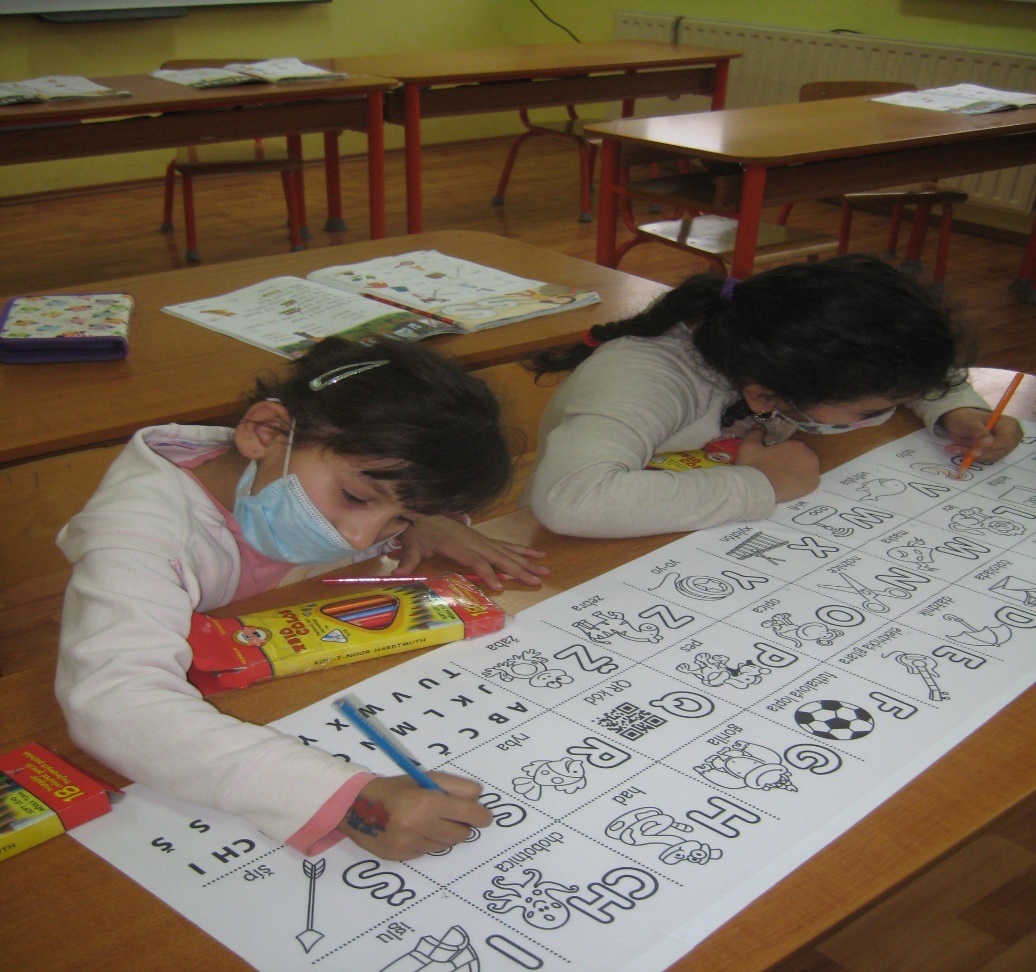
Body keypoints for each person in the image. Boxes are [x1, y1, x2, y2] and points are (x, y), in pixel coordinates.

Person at [56, 336, 549, 861]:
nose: (360, 537)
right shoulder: (134, 535)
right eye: (355, 498)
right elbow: (115, 702)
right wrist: (341, 799)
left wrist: (428, 523)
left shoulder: (312, 473)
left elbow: (383, 499)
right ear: (265, 432)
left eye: (401, 517)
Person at [526, 255, 1022, 539]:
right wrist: (759, 485)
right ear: (765, 396)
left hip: (708, 518)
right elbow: (571, 502)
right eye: (871, 411)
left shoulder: (791, 341)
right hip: (613, 530)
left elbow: (903, 367)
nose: (885, 412)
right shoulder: (643, 380)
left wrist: (953, 407)